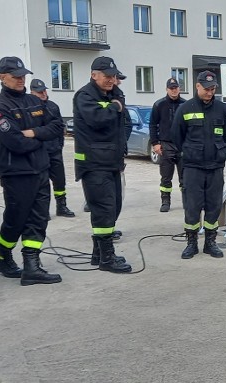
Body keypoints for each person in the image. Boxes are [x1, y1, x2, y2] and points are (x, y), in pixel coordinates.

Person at [0, 58, 65, 286]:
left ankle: (31, 265)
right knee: (16, 218)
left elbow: (57, 126)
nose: (21, 80)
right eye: (16, 76)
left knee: (39, 218)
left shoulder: (34, 100)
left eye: (23, 75)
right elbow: (15, 143)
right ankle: (3, 256)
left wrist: (32, 133)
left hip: (41, 168)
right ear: (2, 77)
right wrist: (40, 137)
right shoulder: (0, 106)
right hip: (16, 172)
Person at [72, 56, 132, 273]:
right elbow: (98, 119)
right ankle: (107, 258)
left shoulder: (112, 94)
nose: (111, 80)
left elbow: (122, 121)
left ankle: (99, 253)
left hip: (112, 162)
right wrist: (115, 106)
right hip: (94, 164)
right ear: (93, 74)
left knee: (114, 207)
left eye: (113, 76)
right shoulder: (85, 96)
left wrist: (116, 100)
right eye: (107, 76)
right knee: (103, 209)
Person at [171, 70, 226, 259]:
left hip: (215, 167)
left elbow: (225, 134)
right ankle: (191, 243)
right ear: (197, 86)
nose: (209, 92)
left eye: (212, 89)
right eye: (206, 88)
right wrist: (191, 152)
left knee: (213, 206)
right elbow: (176, 136)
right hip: (193, 167)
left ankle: (210, 242)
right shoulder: (185, 108)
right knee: (192, 206)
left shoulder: (221, 109)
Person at [29, 78, 75, 218]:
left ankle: (61, 206)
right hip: (38, 151)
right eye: (39, 92)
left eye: (44, 90)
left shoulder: (52, 106)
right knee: (40, 183)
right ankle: (42, 210)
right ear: (32, 92)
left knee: (59, 180)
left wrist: (59, 145)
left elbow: (60, 127)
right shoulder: (28, 107)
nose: (43, 93)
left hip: (54, 150)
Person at [150, 77, 186, 212]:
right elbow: (153, 125)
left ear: (179, 89)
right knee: (166, 177)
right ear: (166, 89)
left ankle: (186, 201)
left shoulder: (185, 105)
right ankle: (165, 201)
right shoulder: (159, 105)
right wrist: (155, 143)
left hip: (182, 145)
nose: (174, 90)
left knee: (185, 177)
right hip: (166, 145)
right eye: (171, 88)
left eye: (176, 88)